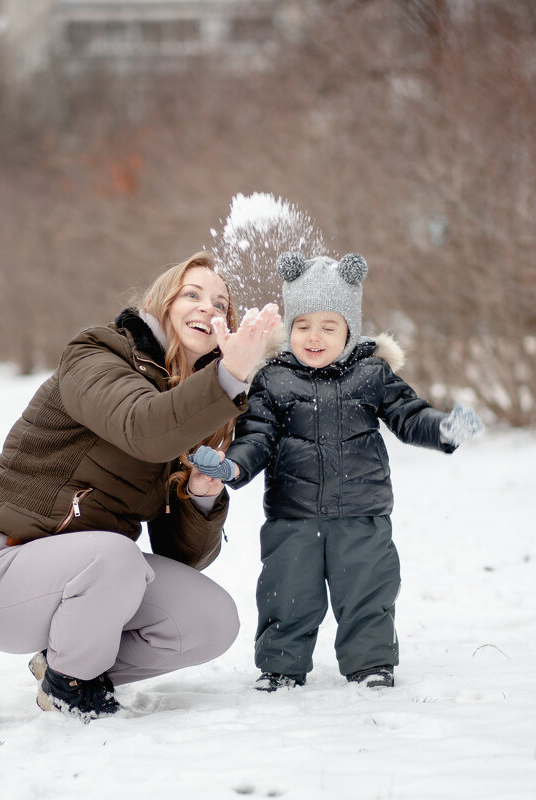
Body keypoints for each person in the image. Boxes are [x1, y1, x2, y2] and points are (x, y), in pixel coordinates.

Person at [0, 250, 280, 719]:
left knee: (210, 620)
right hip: (0, 570)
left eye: (221, 303)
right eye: (192, 294)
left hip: (98, 579)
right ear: (161, 303)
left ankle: (63, 667)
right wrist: (228, 378)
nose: (209, 307)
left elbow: (179, 559)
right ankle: (73, 686)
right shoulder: (97, 354)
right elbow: (142, 427)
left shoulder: (190, 408)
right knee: (114, 555)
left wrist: (201, 500)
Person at [189, 251, 483, 692]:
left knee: (367, 593)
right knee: (287, 595)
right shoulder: (273, 379)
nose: (314, 337)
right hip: (293, 516)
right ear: (289, 329)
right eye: (303, 325)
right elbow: (257, 438)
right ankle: (281, 668)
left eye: (329, 326)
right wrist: (231, 465)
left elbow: (409, 414)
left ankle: (370, 665)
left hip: (362, 514)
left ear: (349, 329)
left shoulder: (372, 373)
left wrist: (444, 428)